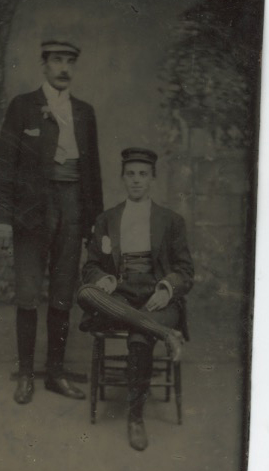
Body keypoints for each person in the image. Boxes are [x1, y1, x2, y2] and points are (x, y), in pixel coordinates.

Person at [0, 37, 103, 404]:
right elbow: (5, 164)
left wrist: (95, 224)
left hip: (73, 207)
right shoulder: (23, 106)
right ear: (44, 64)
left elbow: (93, 172)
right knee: (28, 292)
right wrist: (2, 218)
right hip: (32, 210)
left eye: (70, 61)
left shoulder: (84, 112)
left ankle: (55, 373)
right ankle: (26, 374)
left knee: (63, 292)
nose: (64, 68)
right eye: (57, 60)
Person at [77, 147, 194, 451]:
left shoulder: (171, 220)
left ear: (152, 178)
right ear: (122, 178)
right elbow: (90, 267)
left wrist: (166, 289)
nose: (136, 180)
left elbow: (185, 270)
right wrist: (104, 279)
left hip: (157, 298)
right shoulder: (107, 219)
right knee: (86, 292)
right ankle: (165, 334)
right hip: (120, 297)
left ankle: (135, 418)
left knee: (140, 338)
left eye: (143, 174)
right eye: (130, 174)